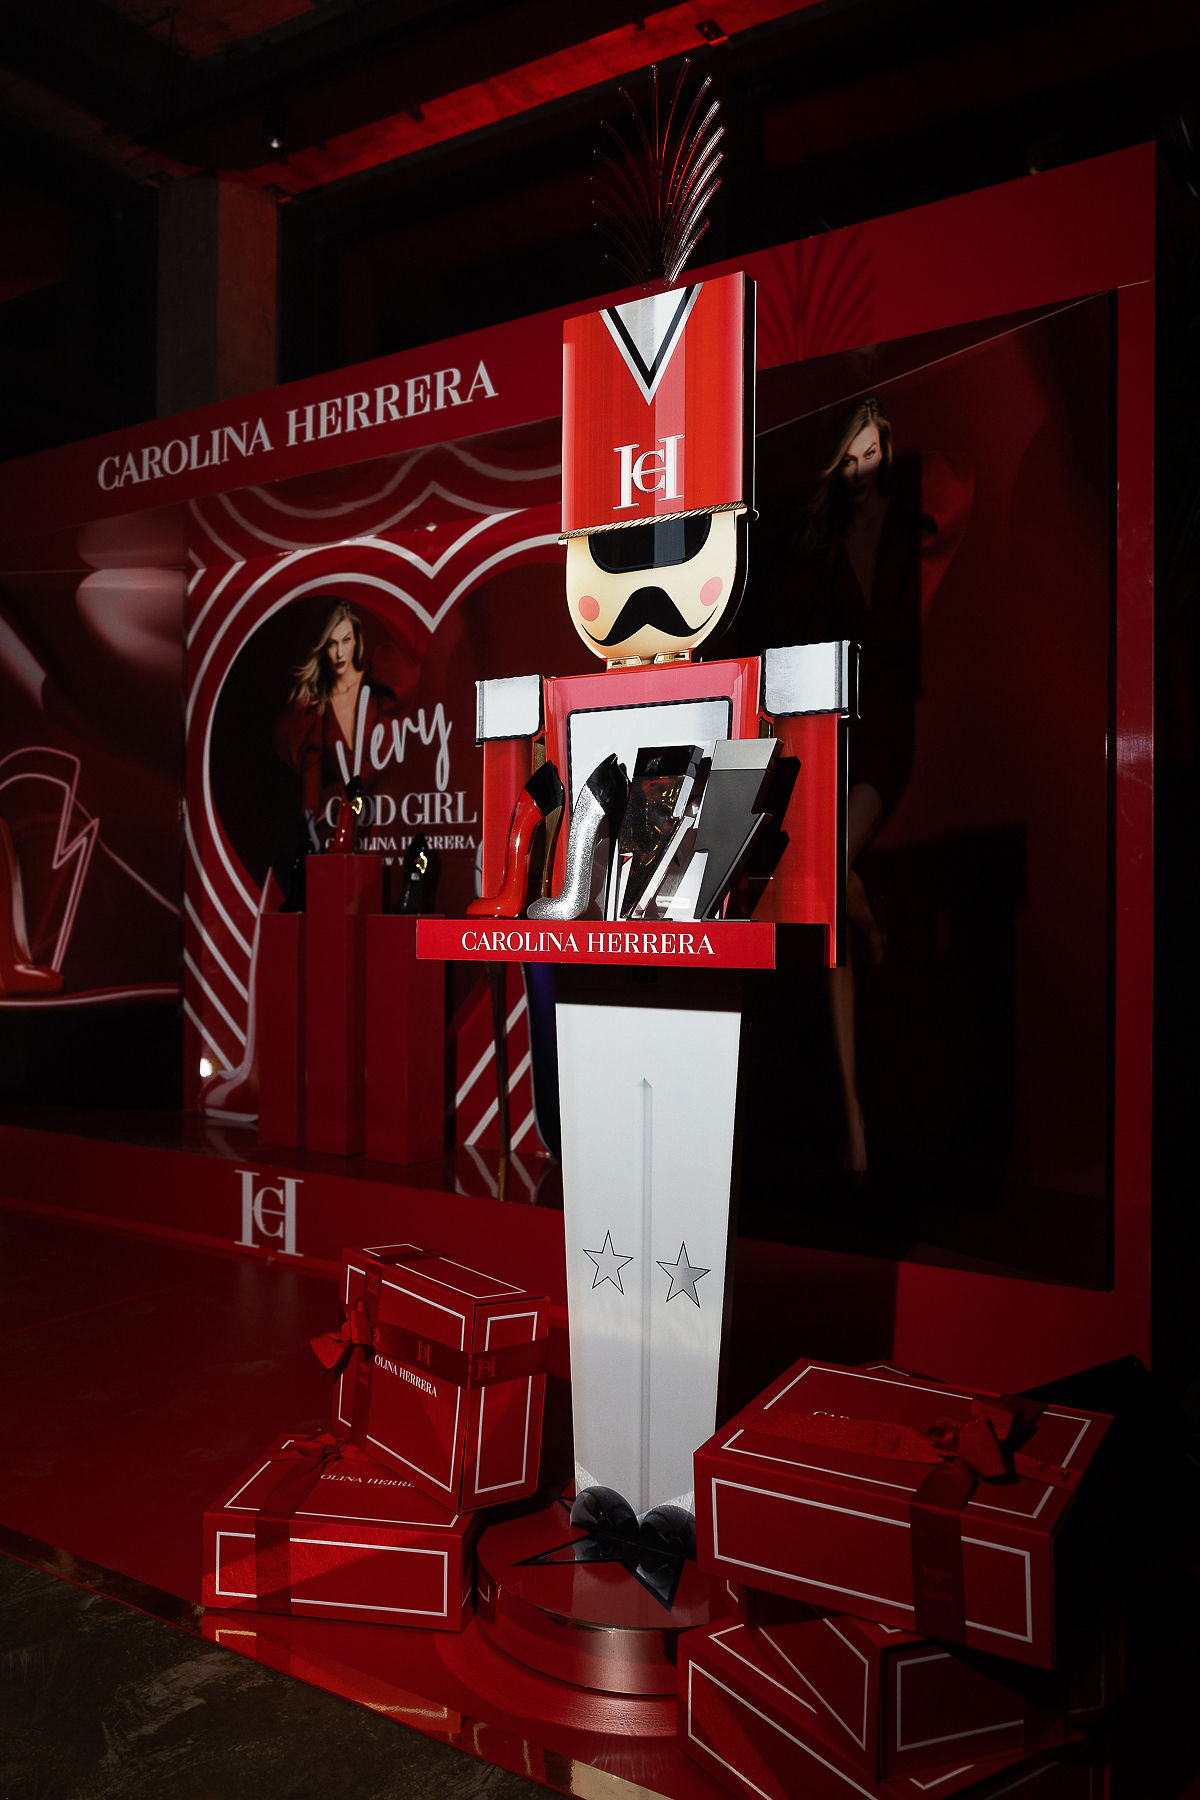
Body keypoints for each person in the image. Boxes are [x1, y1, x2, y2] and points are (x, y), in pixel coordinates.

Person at [772, 396, 972, 1175]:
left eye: (873, 454)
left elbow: (960, 479)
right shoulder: (820, 544)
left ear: (888, 455)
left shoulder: (908, 522)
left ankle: (861, 908)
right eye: (850, 458)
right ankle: (852, 1112)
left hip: (888, 731)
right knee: (826, 908)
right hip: (834, 735)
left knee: (827, 875)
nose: (861, 470)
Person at [274, 599, 417, 833]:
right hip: (338, 824)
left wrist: (338, 795)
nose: (340, 653)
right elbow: (312, 784)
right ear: (323, 648)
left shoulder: (379, 686)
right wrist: (309, 826)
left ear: (356, 640)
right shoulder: (316, 707)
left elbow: (384, 760)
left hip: (384, 818)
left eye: (346, 640)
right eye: (332, 644)